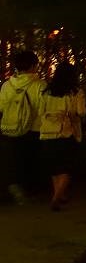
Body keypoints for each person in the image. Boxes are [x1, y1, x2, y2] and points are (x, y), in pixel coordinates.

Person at [39, 62, 86, 211]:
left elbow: (40, 111)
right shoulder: (76, 92)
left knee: (54, 168)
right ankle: (56, 197)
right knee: (67, 167)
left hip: (47, 132)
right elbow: (81, 112)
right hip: (66, 132)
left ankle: (59, 194)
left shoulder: (46, 91)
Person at [0, 50, 45, 204]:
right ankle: (29, 192)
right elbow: (43, 108)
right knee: (30, 161)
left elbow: (1, 107)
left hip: (9, 128)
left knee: (14, 160)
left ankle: (14, 187)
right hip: (33, 129)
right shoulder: (40, 85)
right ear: (33, 66)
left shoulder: (7, 85)